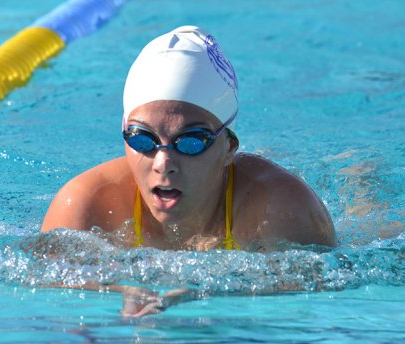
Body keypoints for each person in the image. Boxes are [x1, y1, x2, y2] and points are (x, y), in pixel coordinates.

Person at [40, 26, 336, 316]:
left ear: (229, 147)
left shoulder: (280, 207)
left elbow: (323, 285)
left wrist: (211, 290)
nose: (163, 163)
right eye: (144, 139)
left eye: (191, 142)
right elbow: (46, 277)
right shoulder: (84, 204)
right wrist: (121, 288)